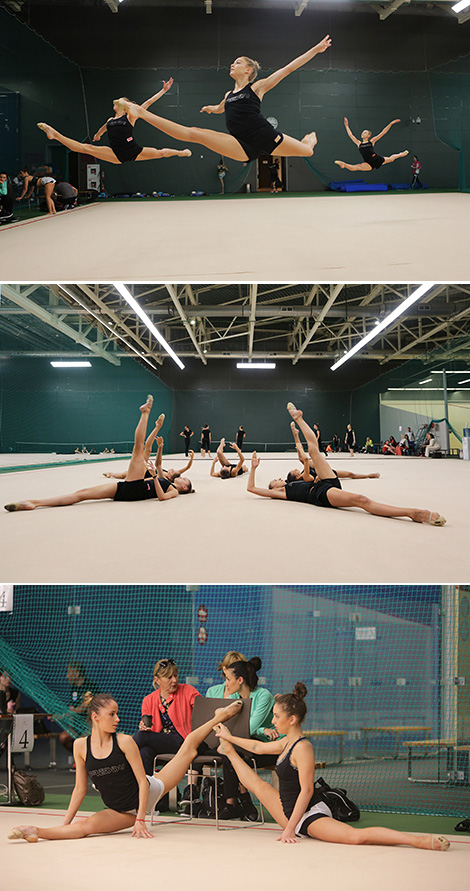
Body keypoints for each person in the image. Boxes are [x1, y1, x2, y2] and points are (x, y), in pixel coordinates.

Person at [214, 683, 450, 851]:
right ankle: (227, 749)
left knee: (355, 838)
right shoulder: (286, 741)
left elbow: (306, 792)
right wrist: (230, 736)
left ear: (292, 719)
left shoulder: (303, 748)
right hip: (288, 810)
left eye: (276, 716)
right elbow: (257, 748)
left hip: (308, 814)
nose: (273, 721)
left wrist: (290, 828)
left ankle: (417, 840)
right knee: (257, 784)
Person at [8, 692, 242, 843]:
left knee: (189, 747)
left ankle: (221, 716)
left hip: (149, 791)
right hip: (120, 810)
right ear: (96, 717)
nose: (118, 718)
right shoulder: (81, 746)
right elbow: (79, 790)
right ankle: (34, 830)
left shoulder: (124, 742)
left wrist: (141, 819)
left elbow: (142, 782)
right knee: (84, 826)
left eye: (117, 713)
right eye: (112, 714)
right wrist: (65, 824)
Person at [117, 37, 332, 163]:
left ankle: (309, 139)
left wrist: (316, 49)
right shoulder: (228, 95)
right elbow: (222, 108)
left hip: (266, 137)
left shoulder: (257, 87)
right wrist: (212, 108)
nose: (232, 64)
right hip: (241, 145)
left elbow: (289, 68)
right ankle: (142, 113)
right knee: (196, 133)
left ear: (248, 70)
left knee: (308, 151)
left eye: (237, 62)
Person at [246, 402, 446, 526]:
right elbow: (252, 488)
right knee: (362, 500)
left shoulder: (294, 480)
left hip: (323, 481)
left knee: (314, 450)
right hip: (321, 494)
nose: (279, 479)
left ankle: (299, 418)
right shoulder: (281, 493)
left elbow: (306, 458)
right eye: (275, 481)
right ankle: (413, 513)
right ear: (274, 488)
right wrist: (253, 469)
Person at [4, 396, 193, 511]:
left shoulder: (173, 489)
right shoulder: (164, 476)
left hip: (137, 489)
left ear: (184, 487)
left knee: (138, 449)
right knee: (81, 494)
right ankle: (33, 503)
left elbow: (161, 497)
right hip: (128, 489)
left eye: (185, 480)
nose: (183, 478)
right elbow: (152, 452)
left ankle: (145, 413)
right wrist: (158, 429)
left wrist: (152, 478)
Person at [36, 80, 192, 167]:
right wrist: (98, 134)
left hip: (134, 150)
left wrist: (163, 91)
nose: (117, 103)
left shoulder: (131, 116)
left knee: (161, 153)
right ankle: (54, 134)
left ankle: (180, 152)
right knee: (85, 148)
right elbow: (104, 128)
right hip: (116, 155)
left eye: (121, 102)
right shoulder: (110, 121)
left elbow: (148, 103)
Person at [214, 657, 277, 821]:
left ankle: (236, 803)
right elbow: (225, 725)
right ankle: (239, 801)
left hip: (269, 748)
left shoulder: (263, 696)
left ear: (240, 680)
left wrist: (259, 730)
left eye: (228, 679)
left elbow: (248, 728)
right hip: (246, 746)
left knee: (231, 753)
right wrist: (262, 729)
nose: (225, 684)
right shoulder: (234, 696)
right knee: (227, 752)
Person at [133, 658, 201, 778]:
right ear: (157, 680)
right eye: (169, 677)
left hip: (183, 741)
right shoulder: (148, 700)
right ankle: (152, 792)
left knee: (140, 736)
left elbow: (203, 709)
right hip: (162, 743)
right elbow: (150, 729)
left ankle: (119, 763)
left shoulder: (187, 690)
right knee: (145, 752)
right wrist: (143, 726)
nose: (174, 680)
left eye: (175, 675)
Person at [289, 422, 379, 482]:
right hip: (326, 474)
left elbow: (302, 457)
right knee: (349, 474)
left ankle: (368, 475)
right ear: (297, 477)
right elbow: (304, 459)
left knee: (304, 458)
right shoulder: (306, 477)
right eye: (294, 471)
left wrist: (295, 435)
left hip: (321, 469)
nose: (295, 469)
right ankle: (369, 475)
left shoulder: (303, 473)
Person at [102, 413, 165, 478]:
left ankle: (110, 474)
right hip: (149, 472)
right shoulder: (167, 474)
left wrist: (160, 447)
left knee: (125, 474)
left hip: (147, 475)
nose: (172, 470)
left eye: (173, 471)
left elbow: (158, 465)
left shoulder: (166, 479)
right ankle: (157, 426)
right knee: (147, 450)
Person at [335, 117, 408, 172]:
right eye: (362, 132)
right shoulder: (359, 143)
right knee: (357, 167)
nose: (363, 133)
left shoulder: (371, 142)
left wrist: (391, 123)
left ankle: (401, 154)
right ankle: (344, 164)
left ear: (369, 135)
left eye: (365, 132)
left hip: (377, 159)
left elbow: (383, 133)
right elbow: (351, 135)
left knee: (391, 159)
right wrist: (346, 125)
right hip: (368, 163)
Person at [59, 661, 101, 754]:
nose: (67, 676)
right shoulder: (74, 688)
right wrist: (69, 721)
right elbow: (72, 708)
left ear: (77, 673)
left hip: (91, 724)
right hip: (77, 724)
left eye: (69, 673)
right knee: (64, 738)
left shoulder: (90, 687)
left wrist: (63, 715)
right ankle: (78, 759)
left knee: (81, 741)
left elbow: (82, 708)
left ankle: (85, 761)